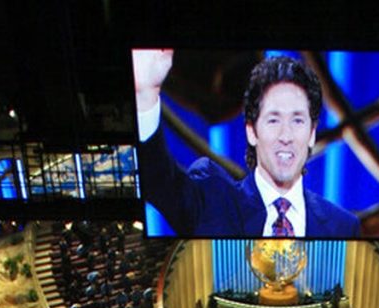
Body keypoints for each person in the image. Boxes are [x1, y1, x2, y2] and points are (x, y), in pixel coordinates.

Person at [133, 50, 360, 238]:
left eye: (297, 120)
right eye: (273, 120)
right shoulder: (213, 197)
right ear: (252, 132)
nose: (286, 135)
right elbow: (156, 177)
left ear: (311, 134)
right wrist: (145, 94)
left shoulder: (343, 227)